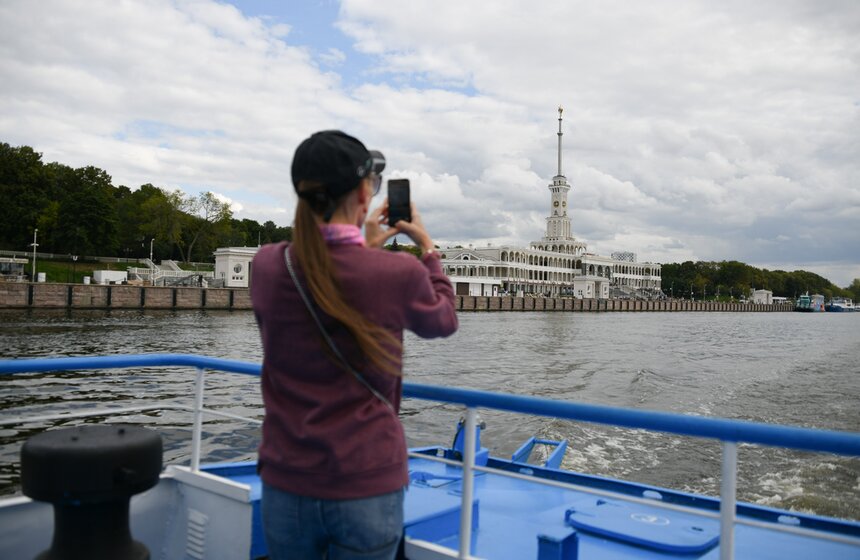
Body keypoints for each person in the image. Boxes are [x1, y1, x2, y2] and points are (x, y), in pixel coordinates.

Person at [250, 130, 458, 559]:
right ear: (366, 194)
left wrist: (362, 243)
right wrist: (429, 249)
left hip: (287, 481)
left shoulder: (268, 264)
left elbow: (330, 271)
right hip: (366, 482)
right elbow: (443, 321)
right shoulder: (397, 272)